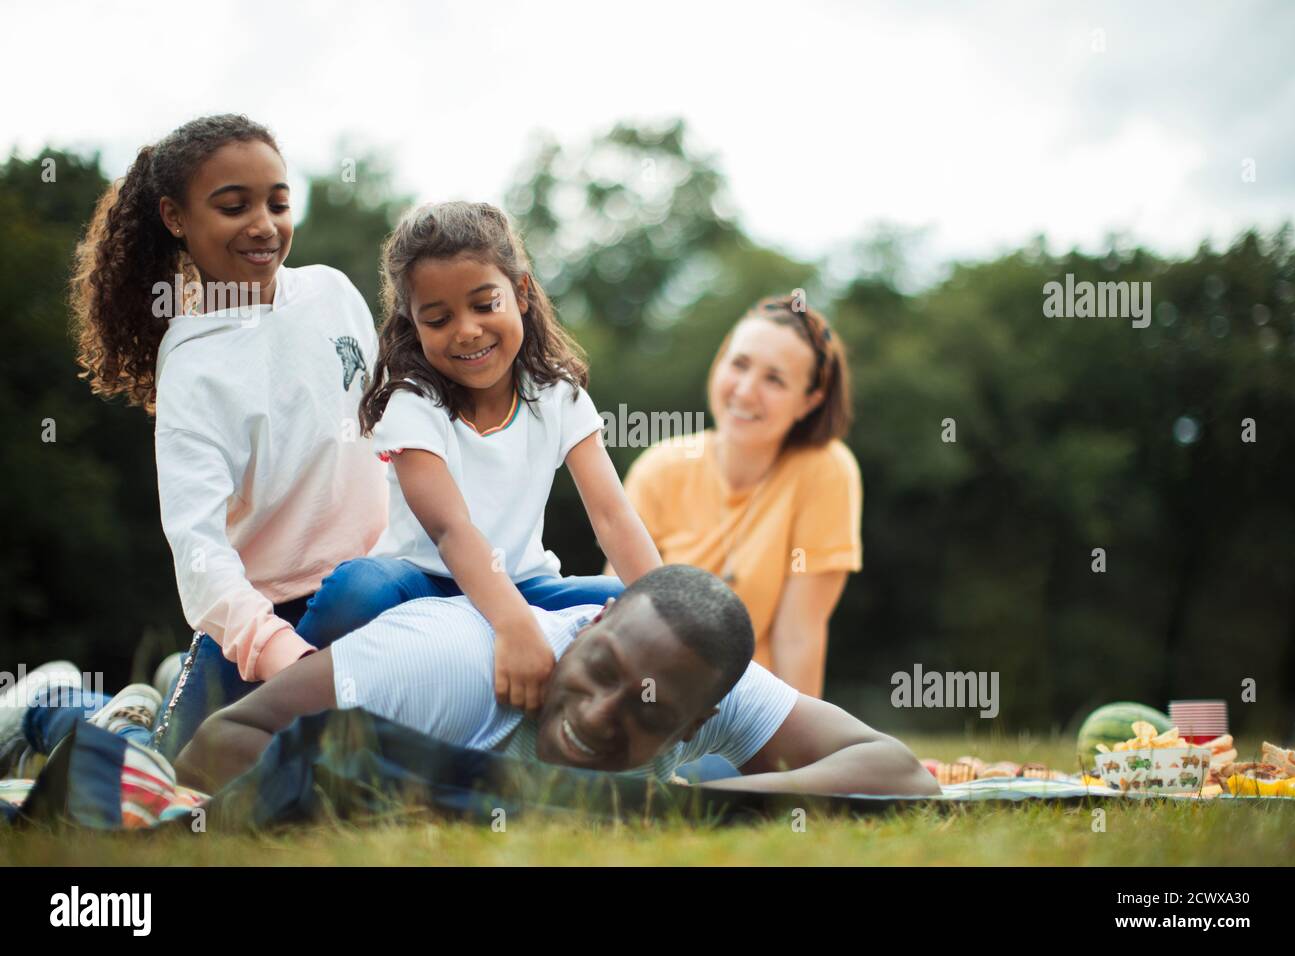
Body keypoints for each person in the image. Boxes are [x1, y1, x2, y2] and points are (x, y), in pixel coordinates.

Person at [50, 113, 388, 760]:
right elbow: (198, 549)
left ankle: (174, 679)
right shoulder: (195, 365)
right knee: (164, 767)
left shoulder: (333, 294)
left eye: (278, 202)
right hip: (266, 620)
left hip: (376, 587)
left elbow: (397, 433)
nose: (263, 225)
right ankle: (55, 707)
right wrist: (280, 653)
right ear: (176, 218)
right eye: (234, 206)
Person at [291, 202, 661, 714]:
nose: (466, 331)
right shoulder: (413, 402)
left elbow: (612, 515)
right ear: (412, 322)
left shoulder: (558, 394)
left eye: (485, 305)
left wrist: (667, 619)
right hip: (423, 583)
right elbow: (451, 529)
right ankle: (289, 697)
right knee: (356, 589)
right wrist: (514, 628)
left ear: (522, 294)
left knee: (628, 600)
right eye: (438, 319)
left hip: (527, 584)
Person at [174, 565, 938, 799]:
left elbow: (901, 774)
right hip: (319, 644)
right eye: (600, 671)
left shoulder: (700, 683)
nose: (599, 715)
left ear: (697, 717)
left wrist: (704, 799)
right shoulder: (447, 666)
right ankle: (69, 708)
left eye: (648, 711)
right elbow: (223, 738)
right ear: (591, 626)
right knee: (146, 739)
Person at [621, 295, 862, 700]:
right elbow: (619, 607)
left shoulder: (824, 469)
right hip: (647, 701)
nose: (746, 392)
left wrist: (792, 756)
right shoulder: (659, 467)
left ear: (809, 401)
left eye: (775, 379)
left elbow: (798, 636)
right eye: (739, 365)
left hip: (745, 712)